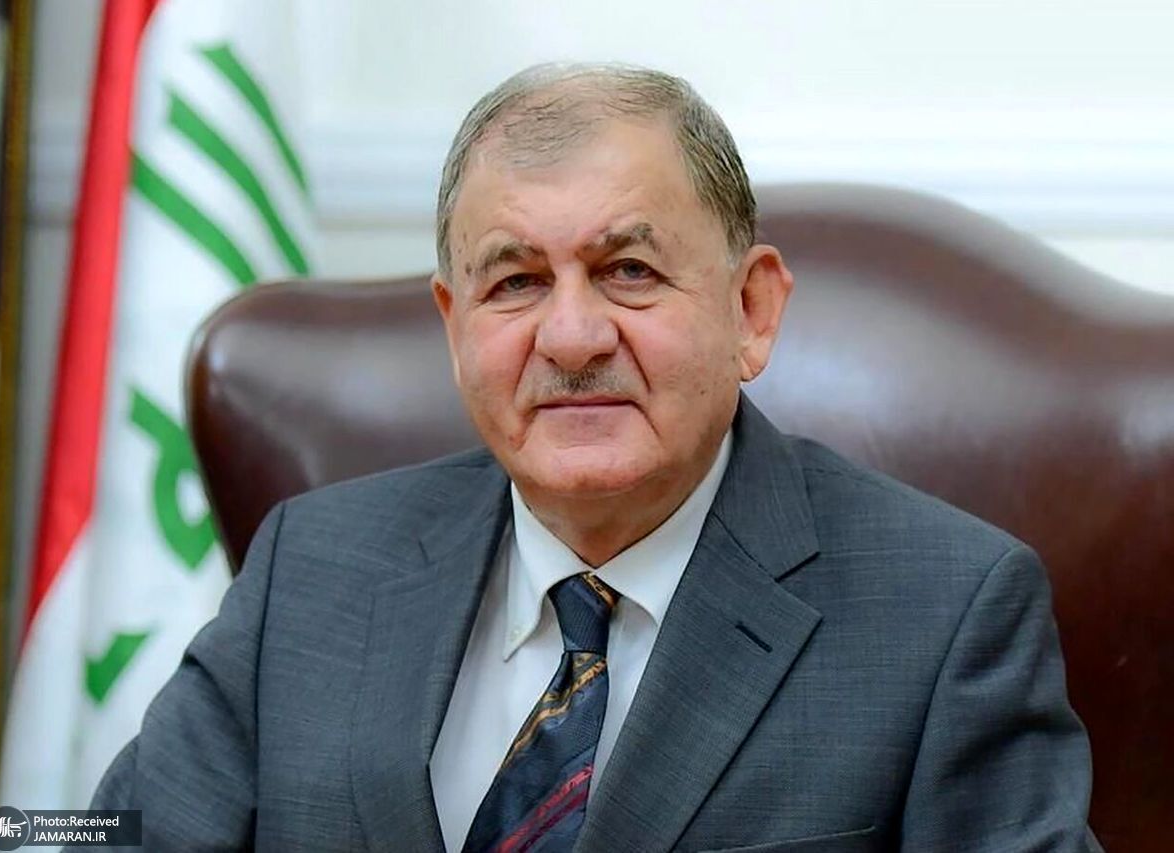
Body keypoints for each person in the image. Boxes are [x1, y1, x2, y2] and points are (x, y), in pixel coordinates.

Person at [87, 63, 1099, 852]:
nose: (571, 338)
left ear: (751, 310)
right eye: (516, 283)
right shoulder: (312, 566)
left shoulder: (946, 615)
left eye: (628, 270)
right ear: (454, 325)